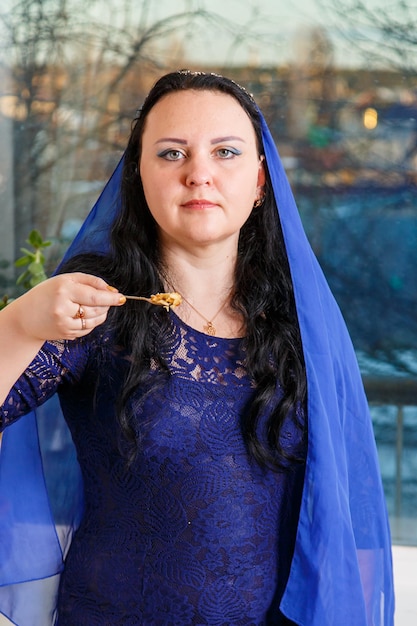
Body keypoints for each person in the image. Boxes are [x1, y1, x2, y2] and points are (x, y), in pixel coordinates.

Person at [0, 70, 394, 625]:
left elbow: (351, 520)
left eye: (226, 152)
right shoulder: (94, 307)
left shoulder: (299, 325)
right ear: (139, 175)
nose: (199, 174)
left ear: (260, 181)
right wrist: (18, 322)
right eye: (171, 153)